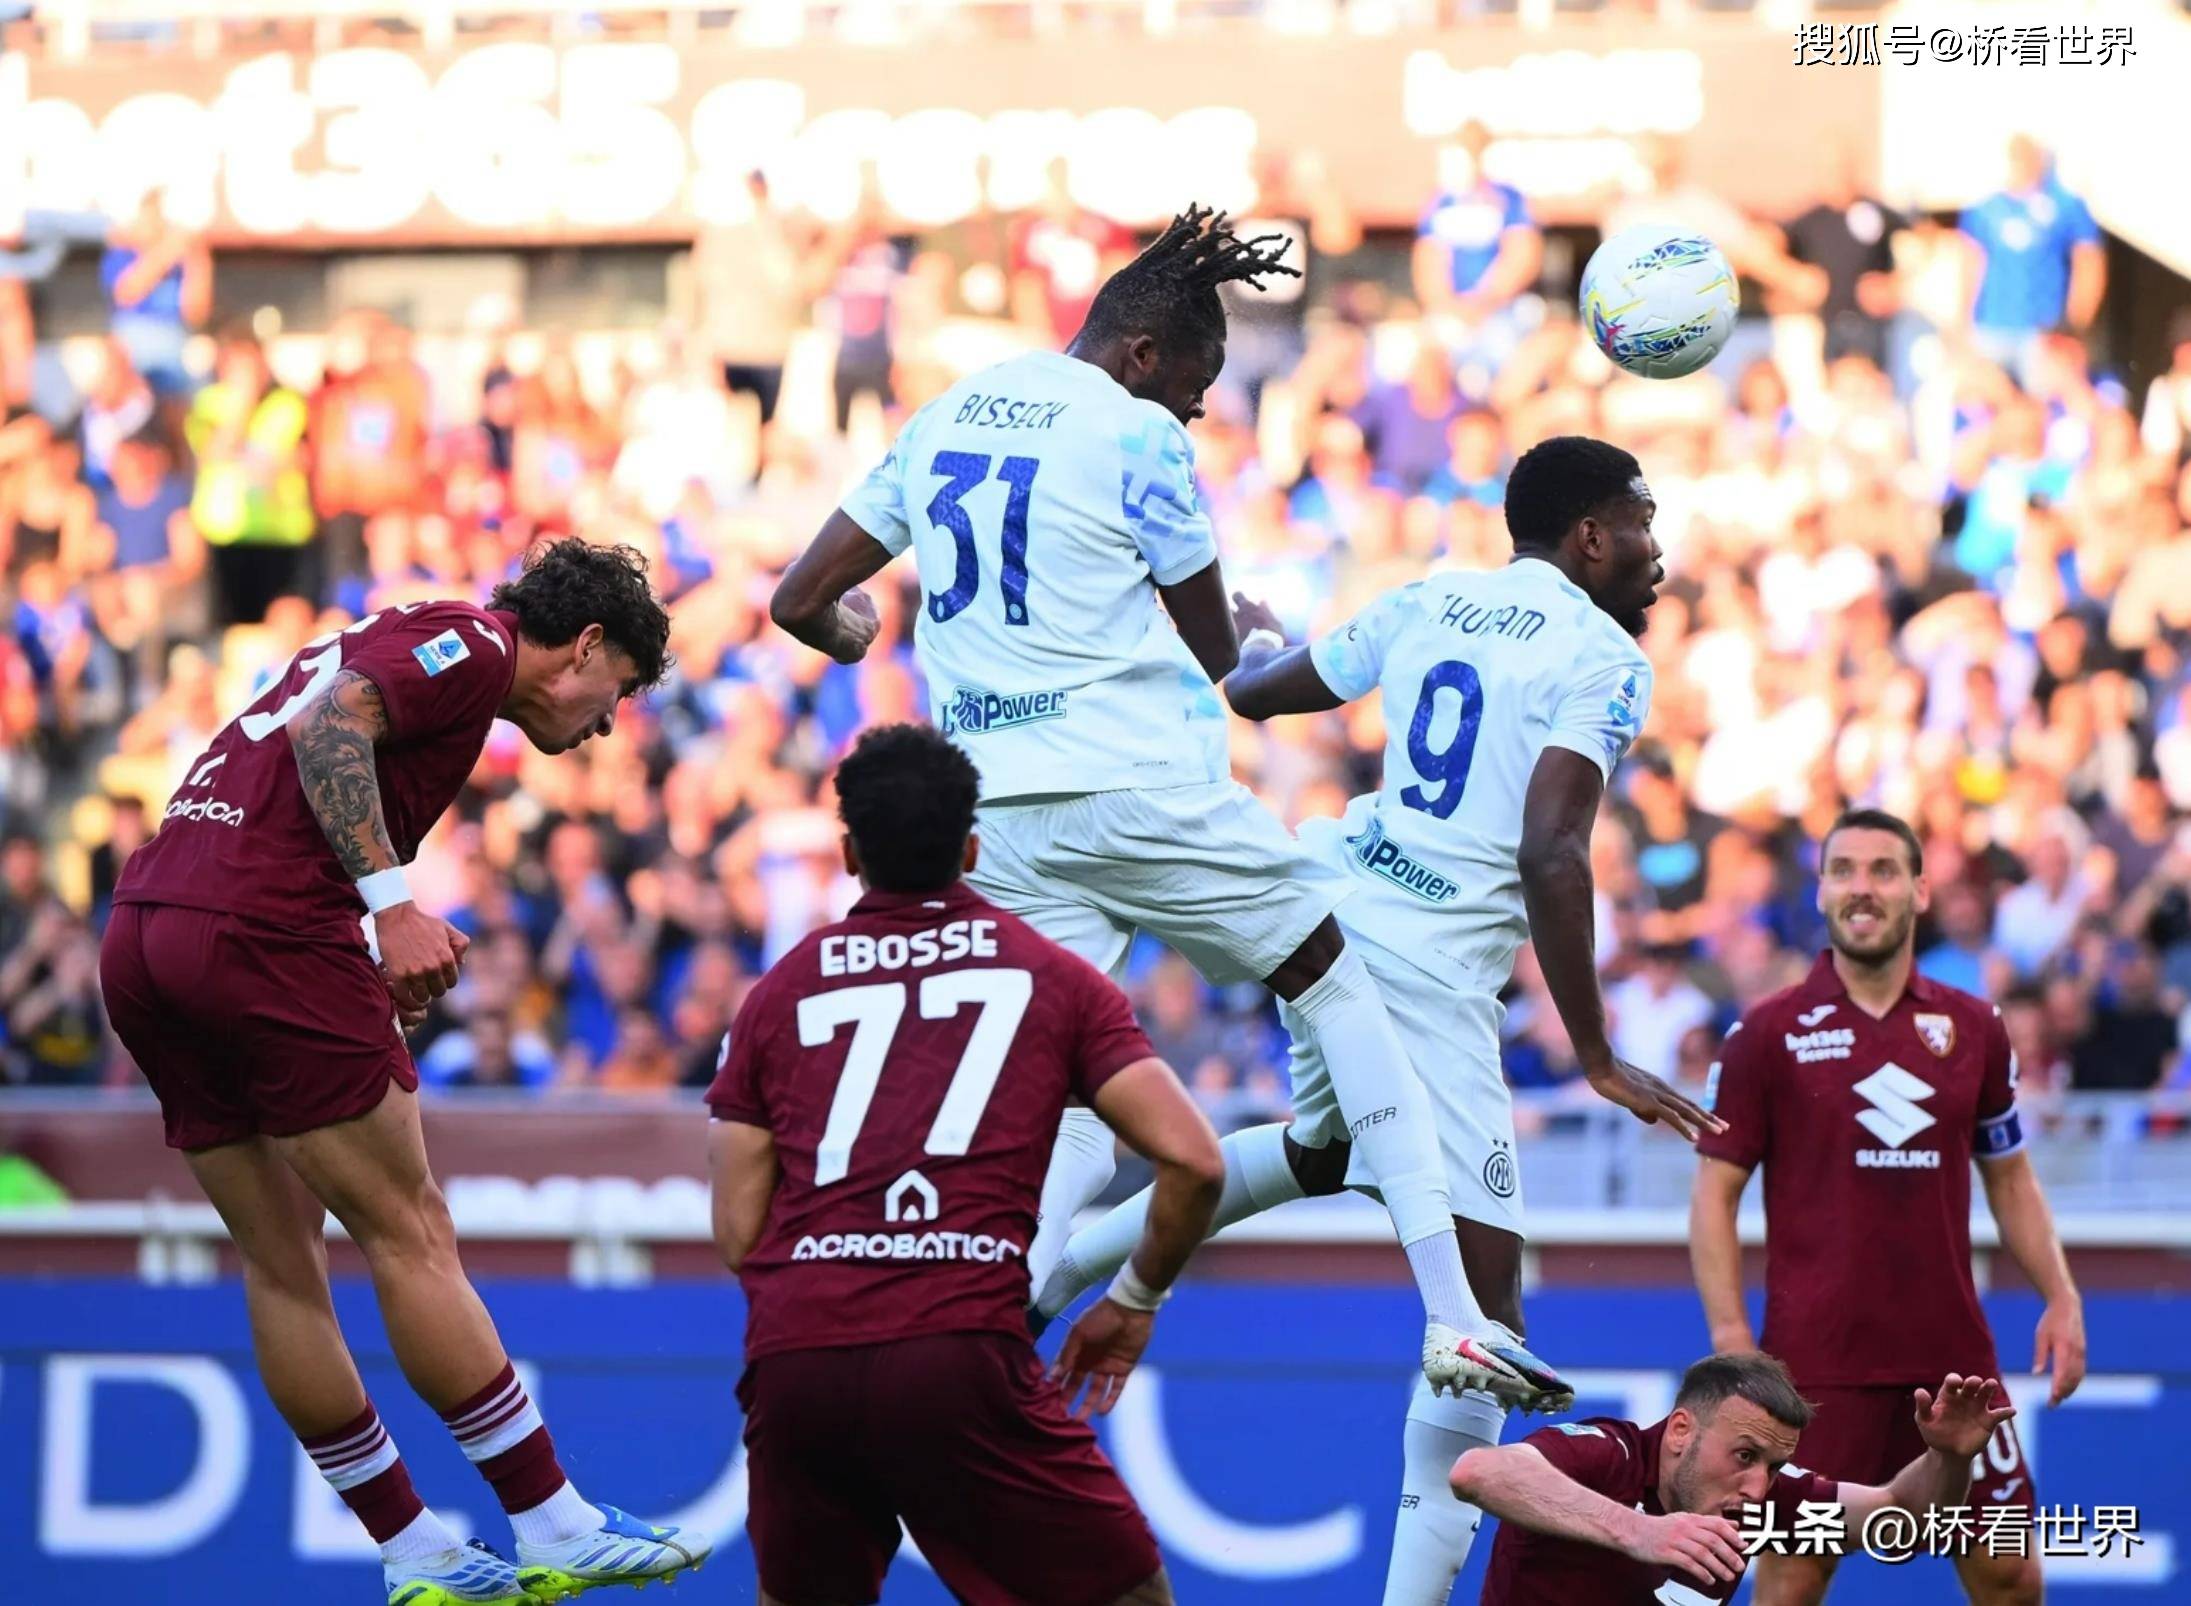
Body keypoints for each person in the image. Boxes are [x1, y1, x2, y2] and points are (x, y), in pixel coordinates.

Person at [769, 206, 1541, 1407]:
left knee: (1079, 1074)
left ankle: (992, 1314)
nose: (1192, 410)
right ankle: (1455, 1316)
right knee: (1334, 976)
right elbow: (1223, 657)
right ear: (1140, 354)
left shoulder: (946, 413)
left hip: (998, 818)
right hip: (1134, 790)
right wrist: (1266, 637)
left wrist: (847, 627)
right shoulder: (1132, 433)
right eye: (1192, 384)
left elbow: (798, 597)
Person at [1039, 434, 1723, 1605]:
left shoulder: (1430, 597)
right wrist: (1597, 1052)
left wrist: (1258, 635)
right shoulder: (1603, 657)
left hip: (1330, 919)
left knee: (1321, 1151)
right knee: (1487, 1321)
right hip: (1425, 976)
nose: (1657, 552)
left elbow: (1257, 690)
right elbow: (1551, 850)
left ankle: (1044, 1277)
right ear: (1589, 535)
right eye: (1642, 525)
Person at [97, 540, 703, 1606]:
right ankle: (553, 1521)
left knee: (281, 1263)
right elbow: (329, 726)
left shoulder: (418, 635)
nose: (609, 723)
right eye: (617, 691)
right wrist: (392, 908)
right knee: (408, 1228)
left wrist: (362, 943)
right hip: (263, 932)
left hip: (147, 932)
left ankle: (414, 1548)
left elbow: (302, 754)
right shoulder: (476, 643)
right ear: (585, 645)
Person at [707, 723, 1225, 1605]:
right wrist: (1133, 1302)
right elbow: (1195, 1161)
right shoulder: (1056, 979)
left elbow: (736, 1234)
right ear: (973, 848)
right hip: (958, 1349)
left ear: (849, 853)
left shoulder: (777, 995)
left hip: (800, 1360)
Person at [1690, 808, 2082, 1606]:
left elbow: (2009, 1177)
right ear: (1820, 890)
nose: (1860, 888)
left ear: (1919, 890)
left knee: (2009, 1575)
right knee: (1793, 1577)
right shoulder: (1765, 1033)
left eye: (1882, 870)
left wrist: (2061, 1295)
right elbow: (1713, 1194)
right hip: (1811, 1369)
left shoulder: (1974, 1026)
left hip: (1953, 1363)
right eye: (1842, 870)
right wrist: (1732, 1342)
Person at [1457, 1351, 2016, 1605]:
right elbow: (1478, 1471)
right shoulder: (1612, 1455)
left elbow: (1902, 1516)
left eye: (1773, 1465)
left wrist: (1949, 1459)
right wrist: (1641, 1531)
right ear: (1681, 1430)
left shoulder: (1762, 1501)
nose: (1757, 1486)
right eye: (1744, 1455)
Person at [1959, 135, 2105, 386]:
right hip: (1992, 327)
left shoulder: (2064, 205)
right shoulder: (1986, 209)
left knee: (2043, 400)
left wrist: (2075, 326)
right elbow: (1970, 264)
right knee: (1988, 398)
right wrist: (1963, 323)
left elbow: (2088, 263)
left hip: (2042, 331)